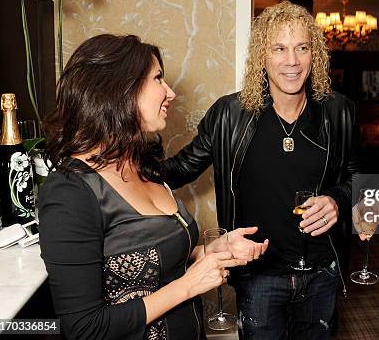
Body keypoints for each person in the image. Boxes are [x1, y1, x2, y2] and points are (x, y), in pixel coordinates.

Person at [39, 34, 267, 339]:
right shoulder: (70, 192)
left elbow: (151, 261)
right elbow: (84, 327)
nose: (170, 92)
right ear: (120, 89)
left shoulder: (144, 165)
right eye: (158, 78)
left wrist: (210, 251)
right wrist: (188, 286)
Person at [164, 1, 359, 339]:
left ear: (316, 55)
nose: (292, 61)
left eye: (302, 48)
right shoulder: (229, 115)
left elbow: (357, 177)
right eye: (279, 48)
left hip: (321, 273)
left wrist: (338, 200)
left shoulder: (339, 111)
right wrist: (117, 166)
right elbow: (179, 169)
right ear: (262, 56)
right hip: (259, 275)